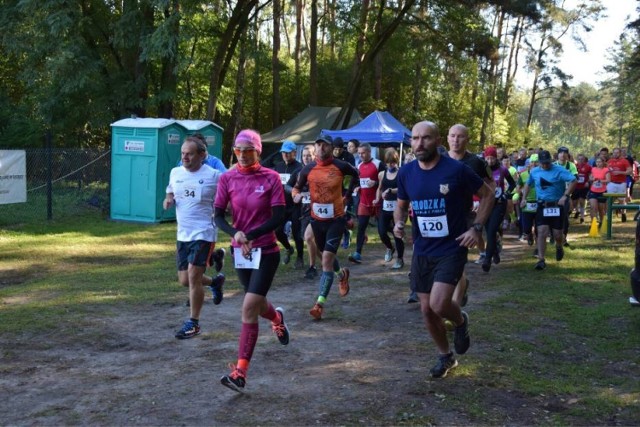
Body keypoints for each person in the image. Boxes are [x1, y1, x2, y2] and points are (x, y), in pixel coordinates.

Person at [393, 121, 494, 379]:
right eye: (415, 139)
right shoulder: (406, 173)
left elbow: (488, 194)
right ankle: (445, 356)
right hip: (423, 248)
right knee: (426, 309)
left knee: (439, 304)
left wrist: (477, 228)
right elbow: (401, 204)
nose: (419, 144)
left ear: (438, 140)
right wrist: (397, 223)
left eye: (426, 138)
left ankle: (460, 321)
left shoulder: (457, 170)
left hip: (452, 246)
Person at [214, 129, 290, 393]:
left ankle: (240, 373)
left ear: (258, 151)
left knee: (248, 308)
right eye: (238, 150)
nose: (243, 156)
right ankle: (276, 317)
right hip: (241, 251)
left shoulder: (270, 178)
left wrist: (251, 235)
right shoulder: (227, 178)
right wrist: (235, 233)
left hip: (266, 250)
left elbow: (279, 216)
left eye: (249, 150)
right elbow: (219, 216)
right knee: (255, 305)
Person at [163, 136, 226, 339]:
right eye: (182, 153)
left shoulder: (214, 175)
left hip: (204, 232)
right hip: (183, 234)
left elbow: (232, 191)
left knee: (192, 276)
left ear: (202, 155)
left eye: (189, 153)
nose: (185, 157)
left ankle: (194, 323)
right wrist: (169, 199)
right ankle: (215, 283)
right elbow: (171, 190)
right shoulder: (176, 172)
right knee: (184, 280)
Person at [292, 135, 359, 320]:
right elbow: (296, 188)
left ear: (331, 148)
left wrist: (347, 195)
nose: (321, 148)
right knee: (326, 256)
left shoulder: (341, 166)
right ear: (315, 148)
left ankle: (319, 304)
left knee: (326, 260)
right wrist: (295, 196)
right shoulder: (308, 169)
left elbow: (356, 175)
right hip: (316, 221)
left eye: (325, 145)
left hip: (336, 220)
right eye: (318, 144)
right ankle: (342, 274)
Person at [444, 124, 494, 306]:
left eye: (460, 136)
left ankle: (455, 309)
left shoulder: (477, 162)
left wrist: (481, 211)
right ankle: (460, 287)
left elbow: (491, 188)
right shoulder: (439, 159)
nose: (456, 140)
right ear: (447, 138)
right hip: (441, 218)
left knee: (457, 262)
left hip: (464, 217)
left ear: (468, 139)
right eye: (453, 136)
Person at [520, 150, 577, 271]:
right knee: (542, 232)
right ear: (539, 162)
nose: (545, 165)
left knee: (557, 234)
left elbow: (573, 180)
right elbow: (528, 184)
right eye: (543, 163)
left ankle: (559, 246)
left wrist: (565, 196)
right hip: (542, 205)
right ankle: (541, 259)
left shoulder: (559, 170)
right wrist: (523, 198)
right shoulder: (535, 171)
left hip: (557, 205)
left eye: (547, 163)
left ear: (550, 161)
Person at [349, 143, 386, 263]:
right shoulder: (359, 166)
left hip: (378, 202)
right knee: (361, 228)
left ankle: (391, 246)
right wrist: (358, 187)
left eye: (363, 153)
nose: (361, 155)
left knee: (383, 230)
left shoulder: (378, 164)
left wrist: (375, 183)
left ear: (369, 152)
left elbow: (388, 180)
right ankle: (357, 253)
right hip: (364, 202)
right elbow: (359, 182)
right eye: (359, 153)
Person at [482, 147, 516, 272]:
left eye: (492, 158)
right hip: (485, 204)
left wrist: (506, 194)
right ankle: (495, 251)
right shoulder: (482, 170)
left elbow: (512, 184)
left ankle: (487, 259)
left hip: (499, 203)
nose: (490, 161)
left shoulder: (502, 169)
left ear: (496, 158)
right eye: (487, 158)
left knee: (491, 231)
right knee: (488, 231)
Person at [273, 140, 304, 267]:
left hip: (296, 206)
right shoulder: (278, 166)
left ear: (294, 153)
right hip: (281, 205)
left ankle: (300, 258)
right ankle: (288, 248)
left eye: (288, 152)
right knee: (277, 231)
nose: (285, 154)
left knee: (297, 233)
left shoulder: (300, 167)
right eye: (283, 152)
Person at [373, 148, 405, 269]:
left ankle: (400, 259)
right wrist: (377, 198)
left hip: (398, 207)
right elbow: (379, 188)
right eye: (388, 162)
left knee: (397, 233)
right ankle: (390, 248)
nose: (390, 165)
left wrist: (391, 190)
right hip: (385, 207)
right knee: (381, 231)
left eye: (393, 162)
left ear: (396, 161)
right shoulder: (382, 174)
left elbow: (403, 189)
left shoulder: (401, 173)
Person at [297, 144, 320, 279]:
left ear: (314, 156)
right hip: (304, 212)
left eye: (309, 155)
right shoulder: (300, 173)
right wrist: (295, 194)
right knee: (310, 240)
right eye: (304, 156)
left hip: (318, 211)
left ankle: (312, 267)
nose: (306, 158)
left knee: (309, 237)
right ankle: (329, 263)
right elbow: (293, 188)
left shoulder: (319, 170)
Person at [554, 147, 578, 246]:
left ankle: (564, 238)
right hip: (553, 194)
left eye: (565, 153)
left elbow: (575, 178)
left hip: (566, 194)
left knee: (564, 218)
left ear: (568, 155)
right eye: (561, 153)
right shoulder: (553, 165)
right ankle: (554, 237)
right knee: (552, 217)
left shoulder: (571, 165)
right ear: (558, 154)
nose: (563, 155)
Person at [517, 153, 540, 248]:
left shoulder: (543, 174)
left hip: (539, 203)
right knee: (526, 228)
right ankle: (529, 235)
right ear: (529, 163)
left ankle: (538, 249)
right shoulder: (523, 174)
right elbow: (518, 188)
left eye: (536, 162)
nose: (534, 164)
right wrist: (522, 192)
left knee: (539, 229)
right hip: (527, 203)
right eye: (532, 162)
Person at [606, 147, 632, 222]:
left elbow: (630, 171)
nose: (615, 154)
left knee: (622, 200)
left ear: (620, 153)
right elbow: (606, 171)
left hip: (621, 183)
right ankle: (608, 216)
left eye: (617, 152)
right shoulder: (609, 161)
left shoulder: (624, 161)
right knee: (609, 200)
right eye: (614, 152)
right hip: (611, 183)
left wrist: (620, 172)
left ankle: (623, 213)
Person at [587, 156, 610, 225]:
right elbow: (590, 178)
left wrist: (600, 181)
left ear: (603, 162)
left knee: (601, 209)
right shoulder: (593, 169)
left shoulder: (606, 170)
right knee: (593, 207)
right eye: (597, 162)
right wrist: (591, 178)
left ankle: (602, 223)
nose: (598, 163)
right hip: (593, 191)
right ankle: (593, 223)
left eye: (600, 162)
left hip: (602, 191)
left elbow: (608, 180)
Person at [571, 154, 592, 224]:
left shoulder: (588, 167)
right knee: (574, 202)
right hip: (575, 186)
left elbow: (590, 176)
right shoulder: (574, 166)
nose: (580, 160)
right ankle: (577, 211)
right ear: (577, 159)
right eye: (579, 159)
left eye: (582, 159)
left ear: (584, 159)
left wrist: (588, 182)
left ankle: (582, 217)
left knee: (582, 201)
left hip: (583, 187)